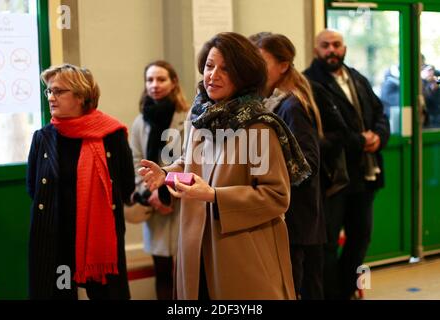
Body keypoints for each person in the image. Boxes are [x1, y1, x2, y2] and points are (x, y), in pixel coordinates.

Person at [139, 32, 311, 300]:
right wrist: (166, 174)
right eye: (209, 66)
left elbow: (276, 197)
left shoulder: (259, 126)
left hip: (240, 250)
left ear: (243, 75)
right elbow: (190, 164)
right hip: (195, 245)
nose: (213, 75)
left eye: (225, 69)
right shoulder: (201, 117)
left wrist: (215, 196)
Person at [26, 64, 135, 299]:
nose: (51, 97)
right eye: (49, 91)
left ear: (81, 96)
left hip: (98, 241)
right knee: (58, 294)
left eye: (58, 91)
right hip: (56, 238)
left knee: (107, 295)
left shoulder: (111, 135)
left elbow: (127, 185)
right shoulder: (43, 138)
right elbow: (33, 188)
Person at [304, 29, 390, 299]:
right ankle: (332, 294)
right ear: (316, 49)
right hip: (335, 177)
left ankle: (347, 289)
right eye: (326, 45)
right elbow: (319, 133)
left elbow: (379, 111)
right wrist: (357, 140)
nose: (332, 50)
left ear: (344, 48)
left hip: (365, 173)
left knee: (360, 238)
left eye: (337, 45)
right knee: (327, 245)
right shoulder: (310, 82)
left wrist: (379, 135)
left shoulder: (356, 78)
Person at [251, 33, 325, 300]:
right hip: (293, 219)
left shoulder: (291, 106)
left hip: (297, 223)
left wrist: (269, 184)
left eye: (260, 61)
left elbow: (308, 163)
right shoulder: (270, 103)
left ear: (283, 65)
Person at [130, 60, 189, 300]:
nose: (155, 85)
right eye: (150, 80)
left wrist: (167, 192)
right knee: (162, 271)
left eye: (161, 79)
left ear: (173, 82)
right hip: (154, 204)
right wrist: (152, 192)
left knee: (188, 271)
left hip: (182, 202)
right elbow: (136, 161)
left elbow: (192, 160)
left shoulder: (187, 118)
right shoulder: (140, 121)